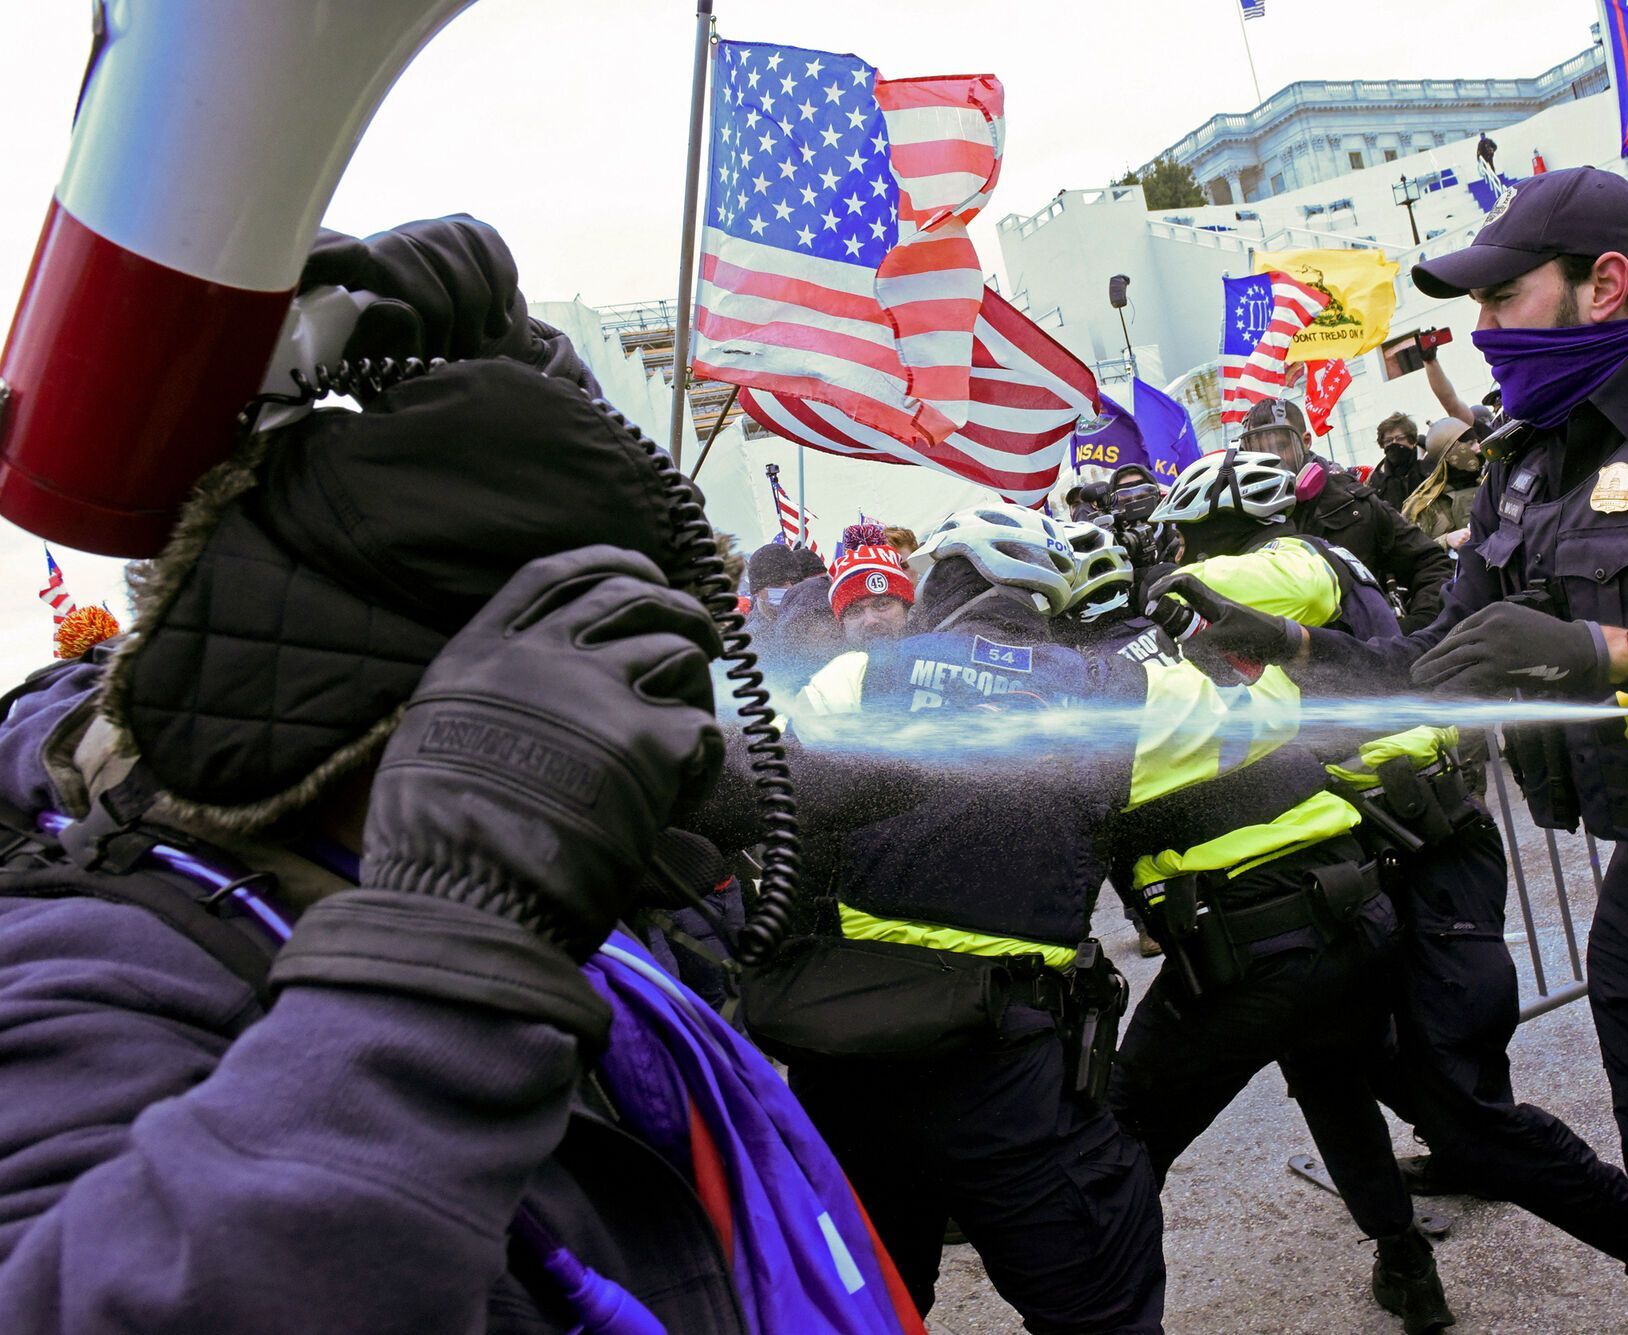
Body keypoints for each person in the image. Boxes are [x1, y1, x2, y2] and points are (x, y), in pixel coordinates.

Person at [0, 217, 922, 1333]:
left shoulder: (579, 896)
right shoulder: (92, 961)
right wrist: (448, 948)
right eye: (563, 679)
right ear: (415, 710)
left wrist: (520, 362)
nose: (620, 733)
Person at [1145, 165, 1628, 1334]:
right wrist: (1285, 642)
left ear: (1602, 286)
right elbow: (1428, 667)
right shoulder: (1526, 464)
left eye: (1500, 301)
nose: (1482, 334)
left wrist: (1619, 653)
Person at [766, 502, 1322, 1335]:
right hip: (1008, 1069)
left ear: (941, 580)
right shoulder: (1119, 694)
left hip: (849, 1056)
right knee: (1104, 1305)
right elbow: (1266, 721)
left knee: (869, 1307)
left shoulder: (856, 678)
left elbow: (771, 816)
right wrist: (1284, 649)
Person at [1139, 450, 1628, 1313]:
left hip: (1431, 851)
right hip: (1376, 854)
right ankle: (1405, 1258)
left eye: (1190, 541)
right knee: (1326, 1056)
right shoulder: (1317, 566)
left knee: (1465, 1113)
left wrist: (1143, 586)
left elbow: (1205, 591)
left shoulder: (1292, 561)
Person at [1242, 397, 1455, 629]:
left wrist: (1415, 630)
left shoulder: (1353, 502)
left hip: (1371, 652)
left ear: (1305, 442)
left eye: (1280, 446)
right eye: (1258, 449)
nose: (1270, 459)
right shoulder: (1243, 520)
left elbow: (1431, 562)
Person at [1401, 417, 1485, 550]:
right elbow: (1408, 552)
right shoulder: (1422, 504)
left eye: (1477, 441)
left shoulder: (1487, 483)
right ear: (1452, 455)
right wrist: (1446, 541)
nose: (1478, 447)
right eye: (1470, 444)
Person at [827, 522, 914, 647]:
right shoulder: (830, 665)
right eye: (854, 611)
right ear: (842, 625)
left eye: (882, 604)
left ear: (906, 608)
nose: (870, 621)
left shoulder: (940, 654)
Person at [1371, 412, 1428, 511]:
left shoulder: (1428, 463)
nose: (1394, 444)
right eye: (1388, 440)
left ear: (1412, 440)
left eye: (1400, 438)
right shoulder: (1378, 479)